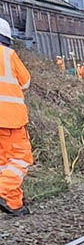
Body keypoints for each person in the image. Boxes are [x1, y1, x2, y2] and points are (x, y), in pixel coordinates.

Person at [0, 19, 32, 215]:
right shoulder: (8, 55)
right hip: (10, 119)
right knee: (20, 158)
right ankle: (2, 190)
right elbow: (26, 82)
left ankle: (14, 204)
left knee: (3, 162)